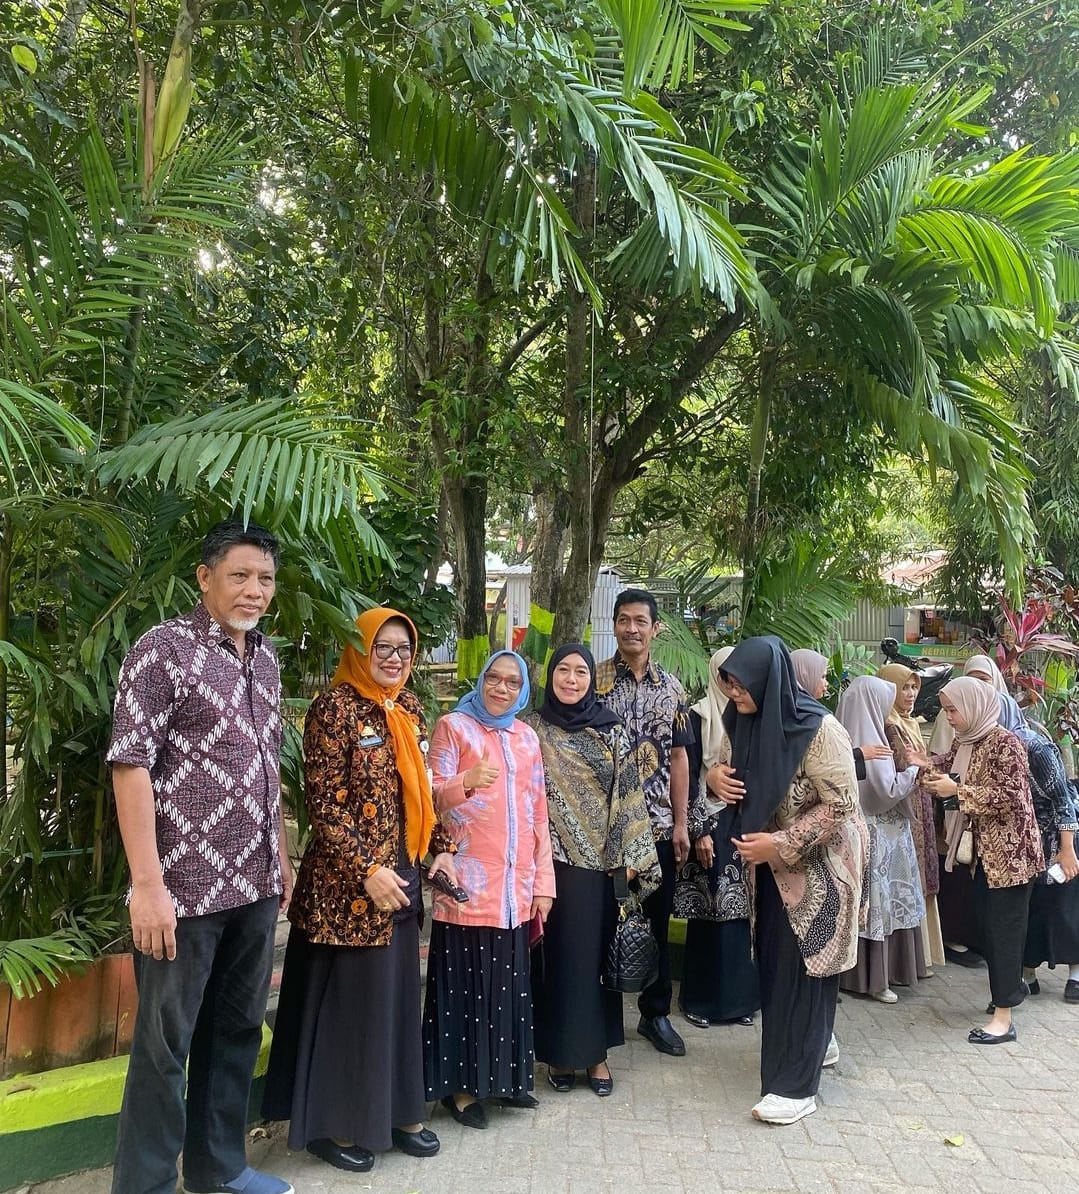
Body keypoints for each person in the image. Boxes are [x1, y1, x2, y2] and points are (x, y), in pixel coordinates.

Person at [106, 519, 292, 1194]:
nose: (254, 590)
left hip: (255, 883)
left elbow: (266, 764)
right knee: (165, 1049)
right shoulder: (162, 650)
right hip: (182, 889)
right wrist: (147, 885)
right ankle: (145, 1185)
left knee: (237, 1030)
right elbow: (130, 765)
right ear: (205, 578)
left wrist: (281, 858)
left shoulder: (266, 659)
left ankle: (218, 1170)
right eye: (240, 575)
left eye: (265, 578)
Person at [261, 608, 458, 1172]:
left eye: (404, 649)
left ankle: (397, 1113)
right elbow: (324, 802)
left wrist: (442, 845)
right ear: (360, 649)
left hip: (403, 875)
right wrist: (366, 869)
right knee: (352, 1005)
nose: (394, 658)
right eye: (383, 647)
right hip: (348, 889)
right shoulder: (335, 708)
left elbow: (418, 791)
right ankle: (334, 1126)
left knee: (394, 999)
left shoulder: (409, 708)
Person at [718, 636, 867, 1126]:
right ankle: (813, 1045)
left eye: (741, 686)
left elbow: (842, 804)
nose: (735, 694)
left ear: (768, 681)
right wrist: (715, 779)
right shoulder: (743, 721)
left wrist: (781, 843)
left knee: (807, 968)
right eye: (730, 685)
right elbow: (727, 773)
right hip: (768, 870)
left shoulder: (819, 729)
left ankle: (795, 1087)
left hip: (822, 868)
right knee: (779, 966)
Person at [423, 651, 556, 1128]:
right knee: (465, 989)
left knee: (507, 989)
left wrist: (543, 883)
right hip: (466, 887)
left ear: (522, 690)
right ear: (481, 681)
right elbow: (428, 798)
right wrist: (467, 781)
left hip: (514, 890)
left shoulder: (526, 737)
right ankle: (460, 1091)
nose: (501, 688)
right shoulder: (454, 727)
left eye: (512, 682)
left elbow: (538, 813)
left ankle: (505, 1081)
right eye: (494, 678)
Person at [527, 644, 660, 1096]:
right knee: (556, 963)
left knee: (593, 963)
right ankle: (559, 1055)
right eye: (562, 670)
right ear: (550, 676)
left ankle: (597, 1055)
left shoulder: (611, 729)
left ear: (591, 679)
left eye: (580, 671)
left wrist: (628, 863)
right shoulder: (532, 728)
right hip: (545, 866)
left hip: (598, 868)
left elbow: (628, 795)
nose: (571, 679)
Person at [596, 589, 693, 1057]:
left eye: (640, 621)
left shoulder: (673, 689)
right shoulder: (592, 681)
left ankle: (655, 1014)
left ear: (656, 629)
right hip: (604, 832)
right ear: (614, 625)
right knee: (601, 920)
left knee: (656, 918)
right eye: (623, 620)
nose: (631, 629)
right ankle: (599, 1019)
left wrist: (682, 823)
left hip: (656, 828)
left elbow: (679, 758)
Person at [922, 677, 1043, 1043]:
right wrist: (923, 767)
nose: (949, 717)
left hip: (1011, 857)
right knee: (989, 929)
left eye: (953, 709)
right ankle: (1009, 991)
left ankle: (1004, 1019)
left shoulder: (1007, 742)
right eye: (946, 710)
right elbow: (945, 764)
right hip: (983, 857)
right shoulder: (967, 741)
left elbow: (1011, 796)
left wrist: (957, 791)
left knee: (1003, 933)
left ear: (974, 707)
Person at [674, 646, 760, 1028]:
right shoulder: (698, 715)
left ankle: (740, 1002)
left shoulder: (753, 714)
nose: (732, 683)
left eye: (739, 676)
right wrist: (700, 831)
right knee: (708, 913)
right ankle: (700, 1000)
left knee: (743, 915)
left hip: (748, 825)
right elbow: (686, 774)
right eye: (726, 676)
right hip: (710, 824)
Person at [837, 676, 926, 1002]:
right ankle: (876, 978)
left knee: (868, 903)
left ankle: (862, 974)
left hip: (862, 835)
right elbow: (885, 791)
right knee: (877, 904)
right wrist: (913, 771)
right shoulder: (870, 742)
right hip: (878, 837)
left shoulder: (843, 735)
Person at [995, 697, 1079, 1003]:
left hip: (1058, 839)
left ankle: (1075, 975)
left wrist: (1067, 849)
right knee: (1032, 907)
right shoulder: (987, 745)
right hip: (1025, 843)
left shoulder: (1035, 747)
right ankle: (1028, 974)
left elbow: (1063, 800)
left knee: (1066, 906)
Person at [877, 663, 945, 971]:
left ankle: (926, 953)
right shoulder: (888, 724)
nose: (911, 693)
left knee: (922, 871)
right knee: (910, 872)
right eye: (904, 687)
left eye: (914, 687)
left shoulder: (910, 723)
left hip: (920, 803)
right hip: (904, 806)